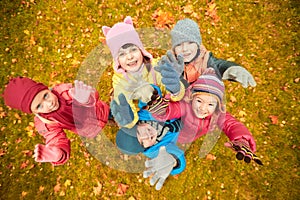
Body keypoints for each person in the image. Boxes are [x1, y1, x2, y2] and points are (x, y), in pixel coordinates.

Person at [146, 71, 262, 164]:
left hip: (191, 136)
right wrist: (161, 109)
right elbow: (172, 109)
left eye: (210, 104)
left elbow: (231, 124)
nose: (203, 108)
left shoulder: (217, 114)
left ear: (217, 105)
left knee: (185, 141)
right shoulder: (186, 106)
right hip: (176, 133)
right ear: (192, 98)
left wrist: (241, 139)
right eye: (199, 101)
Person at [2, 77, 110, 166]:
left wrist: (86, 98)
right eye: (39, 106)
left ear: (47, 89)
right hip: (88, 129)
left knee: (115, 114)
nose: (49, 103)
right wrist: (58, 154)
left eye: (45, 95)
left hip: (101, 110)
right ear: (33, 111)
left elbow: (92, 94)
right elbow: (56, 139)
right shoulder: (45, 123)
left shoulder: (65, 92)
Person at [102, 16, 185, 129]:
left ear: (141, 50)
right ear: (117, 61)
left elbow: (175, 97)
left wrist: (175, 88)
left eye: (133, 49)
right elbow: (129, 121)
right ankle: (112, 114)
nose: (130, 56)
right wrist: (127, 116)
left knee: (179, 120)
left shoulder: (156, 67)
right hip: (142, 117)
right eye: (122, 54)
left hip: (161, 108)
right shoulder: (120, 82)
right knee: (128, 143)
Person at [111, 92, 185, 190]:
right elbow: (174, 155)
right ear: (144, 148)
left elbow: (149, 95)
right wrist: (172, 161)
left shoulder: (143, 115)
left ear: (137, 124)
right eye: (142, 143)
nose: (146, 137)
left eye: (139, 133)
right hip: (187, 122)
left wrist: (149, 95)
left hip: (176, 100)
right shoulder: (155, 150)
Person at [159, 18, 257, 88]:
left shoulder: (204, 60)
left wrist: (230, 68)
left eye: (190, 43)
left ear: (198, 45)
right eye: (179, 44)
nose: (185, 49)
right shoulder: (169, 61)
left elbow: (218, 65)